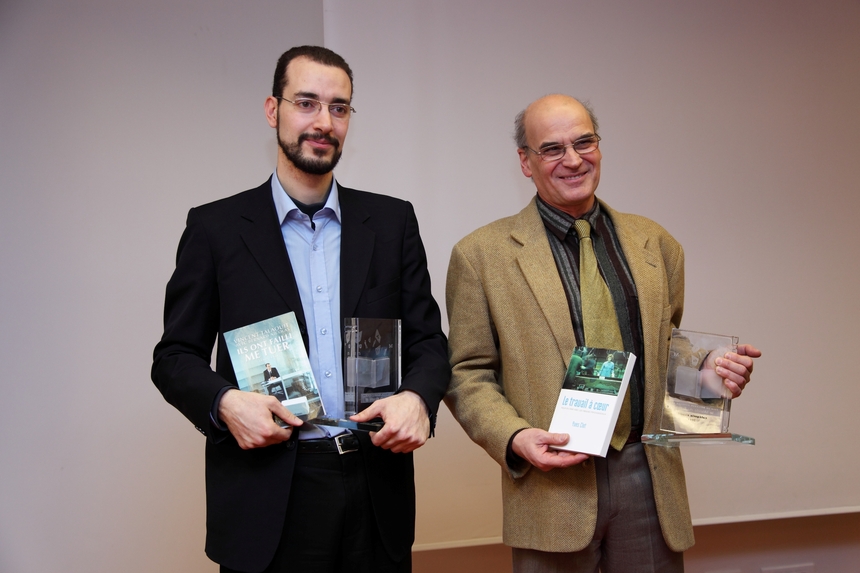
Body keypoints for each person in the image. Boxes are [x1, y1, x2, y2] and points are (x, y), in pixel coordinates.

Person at [152, 45, 449, 573]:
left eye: (339, 108)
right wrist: (224, 402)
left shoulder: (391, 223)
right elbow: (174, 356)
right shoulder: (215, 229)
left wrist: (419, 398)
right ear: (273, 110)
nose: (324, 122)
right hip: (266, 494)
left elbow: (428, 341)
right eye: (307, 103)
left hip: (375, 485)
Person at [444, 94, 761, 572]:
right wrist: (513, 437)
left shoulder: (657, 243)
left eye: (583, 142)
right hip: (551, 483)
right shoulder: (481, 256)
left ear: (599, 146)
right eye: (551, 149)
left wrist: (706, 373)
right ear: (525, 162)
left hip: (648, 478)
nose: (572, 159)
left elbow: (665, 355)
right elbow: (466, 371)